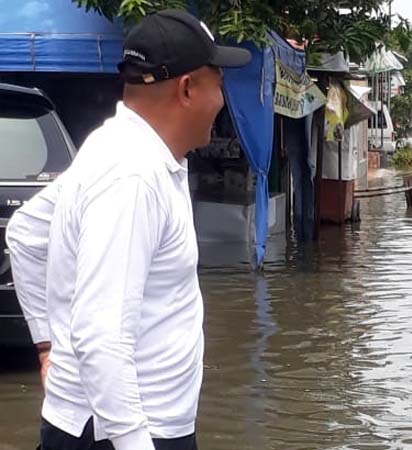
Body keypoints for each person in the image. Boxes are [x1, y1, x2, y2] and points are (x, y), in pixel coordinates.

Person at [5, 9, 250, 450]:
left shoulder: (115, 146)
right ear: (189, 88)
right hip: (127, 431)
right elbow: (101, 333)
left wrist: (46, 344)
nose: (222, 99)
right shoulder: (133, 175)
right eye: (219, 81)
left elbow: (24, 233)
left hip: (103, 424)